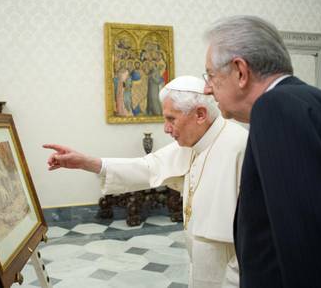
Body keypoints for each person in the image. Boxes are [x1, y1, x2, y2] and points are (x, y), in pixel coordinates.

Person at [44, 76, 248, 288]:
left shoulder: (240, 147)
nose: (166, 129)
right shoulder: (194, 143)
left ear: (200, 114)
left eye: (171, 119)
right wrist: (86, 163)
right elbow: (147, 167)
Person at [203, 15, 321, 288]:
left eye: (210, 75)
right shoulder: (313, 101)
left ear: (240, 72)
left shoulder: (275, 108)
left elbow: (309, 242)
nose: (208, 88)